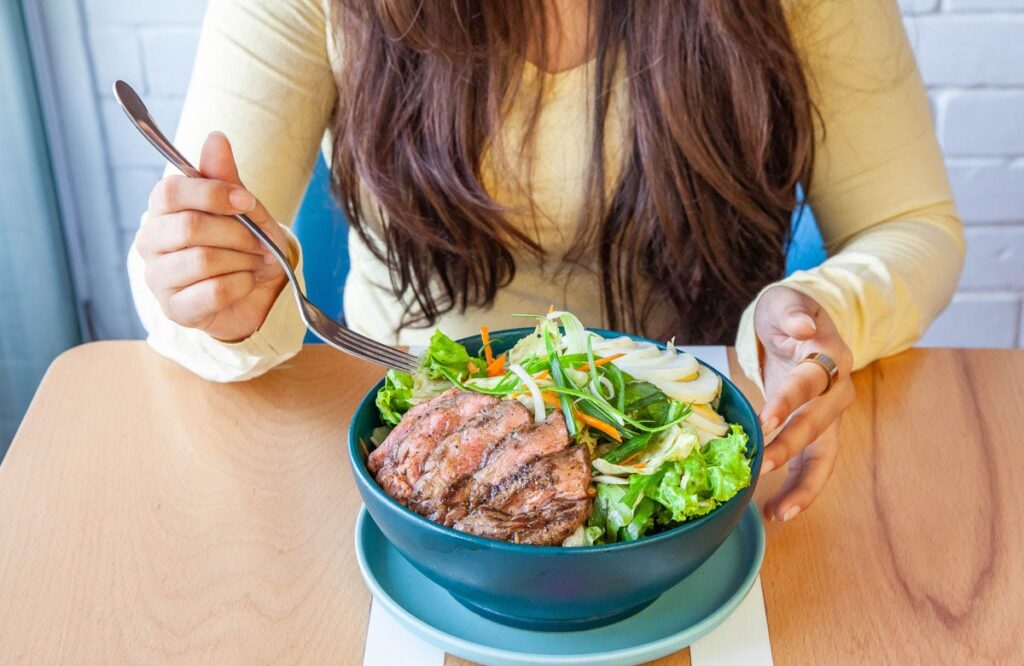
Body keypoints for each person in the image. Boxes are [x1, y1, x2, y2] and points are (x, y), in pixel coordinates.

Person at [127, 0, 964, 522]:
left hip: (693, 446)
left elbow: (912, 223)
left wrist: (825, 313)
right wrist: (215, 297)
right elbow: (195, 241)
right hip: (410, 438)